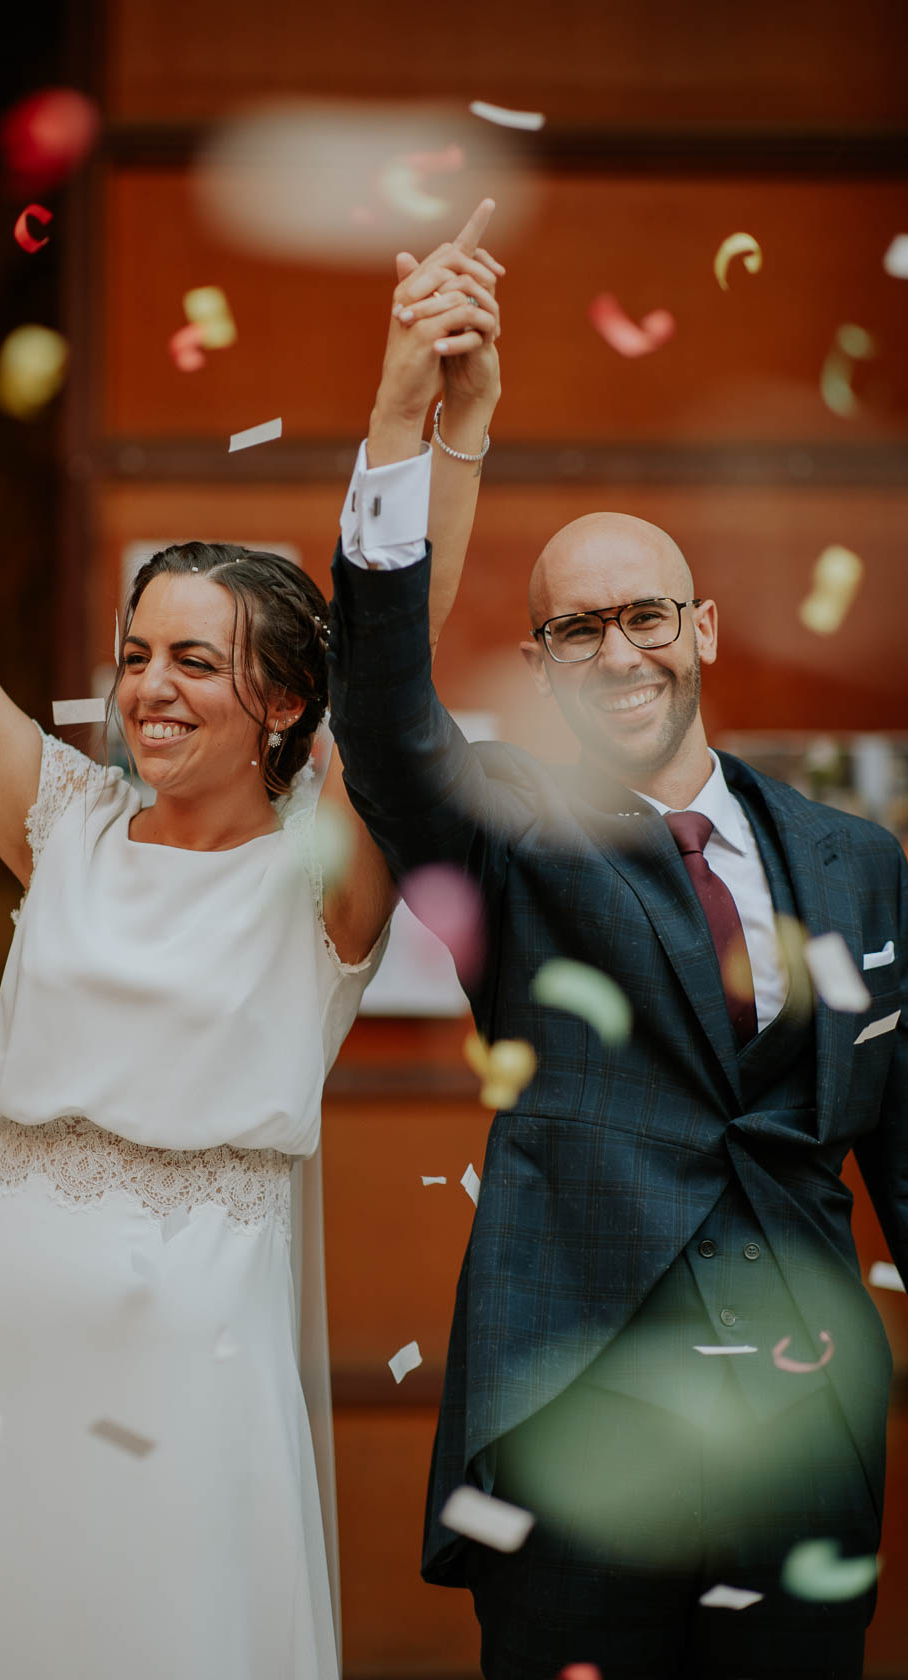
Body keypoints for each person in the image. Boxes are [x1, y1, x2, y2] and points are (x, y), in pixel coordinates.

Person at [0, 209, 502, 1680]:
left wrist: (414, 410)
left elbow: (395, 653)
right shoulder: (61, 823)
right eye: (136, 653)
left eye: (194, 661)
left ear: (282, 705)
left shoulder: (323, 879)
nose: (148, 687)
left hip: (191, 1349)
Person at [327, 255, 907, 1679]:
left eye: (643, 615)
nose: (617, 652)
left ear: (699, 629)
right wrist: (406, 409)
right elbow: (384, 712)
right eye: (575, 629)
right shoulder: (510, 831)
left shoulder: (855, 861)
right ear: (541, 659)